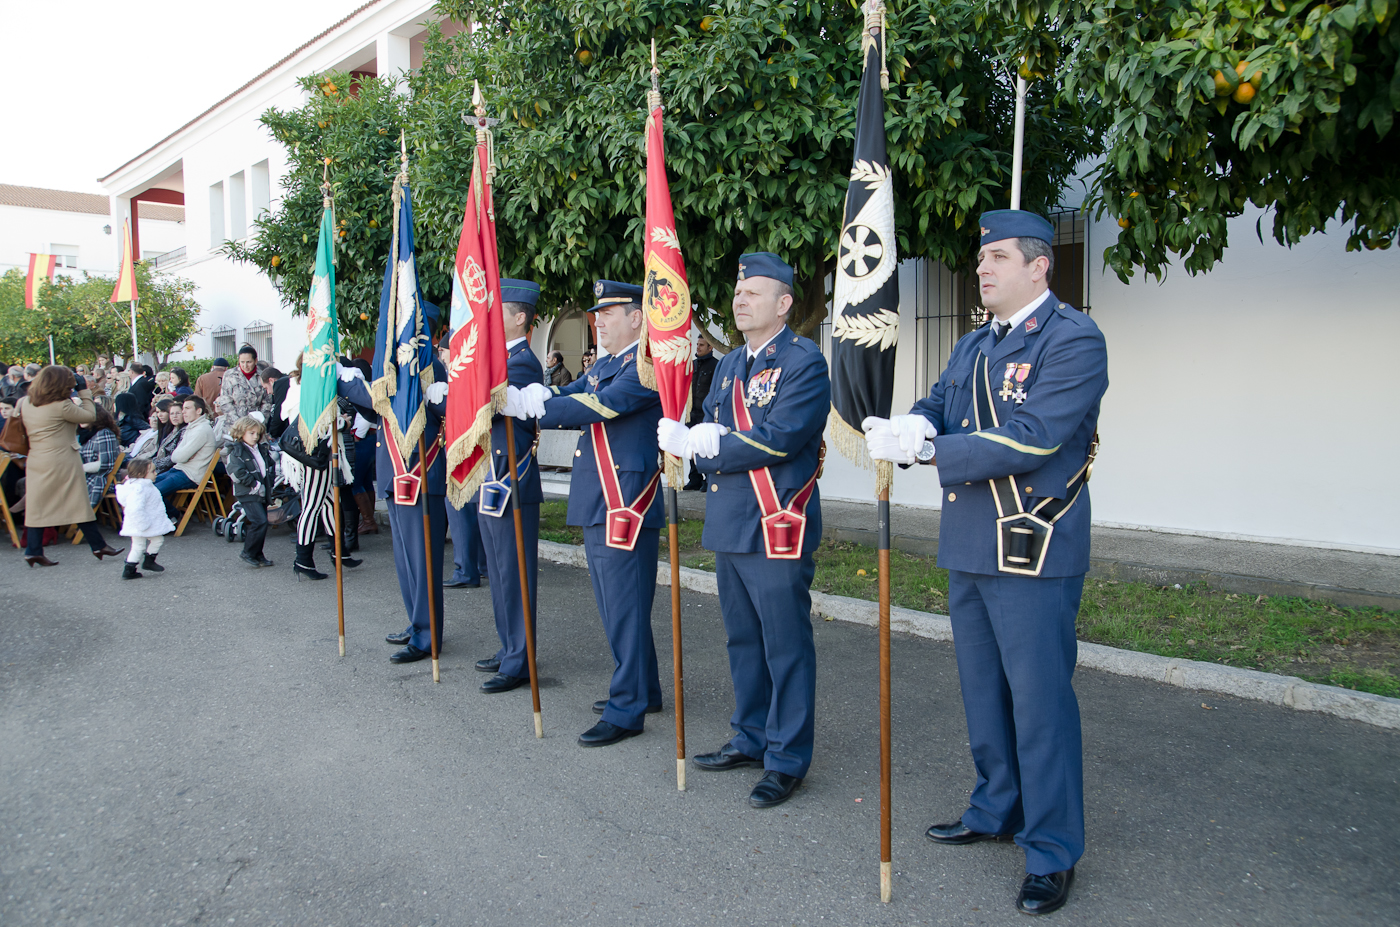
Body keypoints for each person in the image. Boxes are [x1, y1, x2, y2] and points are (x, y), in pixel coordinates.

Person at [862, 210, 1107, 917]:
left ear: (1040, 265)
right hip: (970, 540)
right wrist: (913, 421)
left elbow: (1037, 437)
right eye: (980, 258)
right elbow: (940, 404)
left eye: (997, 256)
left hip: (1032, 542)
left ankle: (1053, 847)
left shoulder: (1073, 339)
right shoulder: (973, 345)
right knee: (983, 693)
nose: (982, 267)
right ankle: (996, 804)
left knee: (1039, 701)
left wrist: (935, 450)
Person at [657, 253, 829, 810]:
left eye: (753, 292)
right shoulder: (730, 364)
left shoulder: (805, 362)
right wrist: (693, 441)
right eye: (738, 291)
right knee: (743, 640)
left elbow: (782, 437)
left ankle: (786, 758)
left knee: (785, 644)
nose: (740, 299)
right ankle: (751, 735)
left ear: (783, 305)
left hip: (777, 518)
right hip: (732, 519)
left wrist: (714, 445)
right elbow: (711, 421)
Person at [514, 280, 664, 746]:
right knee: (620, 603)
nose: (598, 320)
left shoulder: (645, 364)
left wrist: (540, 407)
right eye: (597, 314)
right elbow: (577, 388)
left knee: (623, 604)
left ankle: (627, 707)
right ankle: (645, 689)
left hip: (624, 498)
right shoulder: (606, 363)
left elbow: (603, 404)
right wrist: (534, 395)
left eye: (609, 313)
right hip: (602, 493)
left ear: (637, 318)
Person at [339, 350, 449, 665]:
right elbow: (379, 414)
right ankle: (418, 624)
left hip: (418, 473)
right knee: (406, 564)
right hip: (396, 473)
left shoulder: (427, 366)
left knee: (421, 563)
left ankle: (427, 635)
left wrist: (347, 382)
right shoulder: (399, 364)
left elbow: (397, 403)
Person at [469, 280, 544, 692]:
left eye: (497, 312)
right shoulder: (499, 358)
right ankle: (509, 646)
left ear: (519, 318)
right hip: (493, 480)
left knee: (514, 575)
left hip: (512, 480)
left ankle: (520, 659)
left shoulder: (522, 362)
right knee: (499, 573)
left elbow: (488, 402)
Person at [13, 366, 123, 567]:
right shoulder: (61, 405)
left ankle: (33, 550)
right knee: (78, 502)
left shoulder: (25, 402)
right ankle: (98, 545)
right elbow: (89, 416)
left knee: (37, 506)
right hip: (62, 458)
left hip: (37, 458)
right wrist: (84, 391)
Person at [278, 353, 361, 581]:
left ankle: (339, 552)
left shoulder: (299, 384)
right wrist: (344, 421)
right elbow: (322, 421)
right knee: (312, 506)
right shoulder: (313, 388)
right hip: (314, 452)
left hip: (310, 451)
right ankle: (302, 559)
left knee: (328, 503)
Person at [438, 338, 487, 588]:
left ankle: (466, 570)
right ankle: (479, 565)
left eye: (443, 350)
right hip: (469, 450)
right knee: (471, 512)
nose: (441, 355)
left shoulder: (461, 372)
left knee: (460, 511)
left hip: (463, 450)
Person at [226, 415, 276, 568]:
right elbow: (236, 472)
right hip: (248, 492)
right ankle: (248, 551)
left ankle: (258, 553)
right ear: (241, 433)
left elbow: (269, 465)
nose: (255, 437)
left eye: (257, 434)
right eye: (251, 433)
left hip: (262, 491)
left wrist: (268, 484)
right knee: (259, 521)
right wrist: (254, 484)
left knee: (262, 522)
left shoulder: (260, 449)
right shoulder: (237, 451)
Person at [114, 457, 175, 579]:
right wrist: (143, 524)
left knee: (137, 546)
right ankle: (149, 561)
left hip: (137, 524)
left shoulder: (135, 486)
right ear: (141, 474)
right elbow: (135, 508)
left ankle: (129, 570)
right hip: (143, 524)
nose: (155, 473)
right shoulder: (141, 489)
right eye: (152, 471)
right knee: (157, 540)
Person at [152, 396, 215, 507]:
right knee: (144, 486)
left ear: (198, 411)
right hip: (177, 469)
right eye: (183, 408)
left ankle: (173, 516)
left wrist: (179, 455)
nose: (183, 412)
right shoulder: (191, 427)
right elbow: (177, 455)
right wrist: (179, 455)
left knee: (153, 492)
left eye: (187, 408)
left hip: (189, 475)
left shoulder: (202, 429)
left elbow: (178, 457)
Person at [682, 337, 720, 491]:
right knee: (691, 444)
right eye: (697, 345)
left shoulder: (716, 365)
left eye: (702, 345)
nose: (698, 348)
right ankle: (695, 478)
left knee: (705, 446)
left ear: (710, 347)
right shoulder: (693, 365)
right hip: (692, 412)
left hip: (707, 413)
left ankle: (707, 479)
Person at [219, 346, 271, 433]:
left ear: (255, 361)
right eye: (242, 362)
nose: (245, 365)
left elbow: (267, 402)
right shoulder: (230, 375)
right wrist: (239, 423)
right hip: (234, 426)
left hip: (256, 425)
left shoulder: (262, 376)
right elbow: (225, 401)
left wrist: (259, 422)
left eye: (249, 362)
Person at [79, 405, 121, 507]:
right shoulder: (86, 434)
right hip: (86, 476)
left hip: (99, 479)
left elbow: (105, 464)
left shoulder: (104, 433)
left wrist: (78, 468)